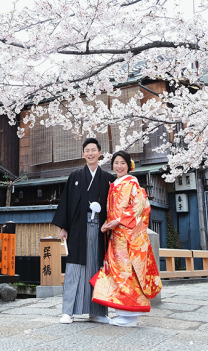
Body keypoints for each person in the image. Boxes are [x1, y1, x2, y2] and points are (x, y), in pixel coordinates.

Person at [91, 150, 162, 327]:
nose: (119, 166)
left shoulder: (132, 183)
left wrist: (116, 221)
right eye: (116, 163)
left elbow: (138, 207)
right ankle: (124, 314)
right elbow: (112, 210)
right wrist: (108, 223)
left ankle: (129, 317)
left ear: (129, 165)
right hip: (116, 236)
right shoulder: (114, 184)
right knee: (117, 273)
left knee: (126, 274)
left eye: (123, 163)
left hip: (128, 237)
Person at [51, 137, 115, 324]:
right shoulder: (75, 177)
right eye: (87, 150)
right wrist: (64, 227)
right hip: (79, 227)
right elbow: (67, 203)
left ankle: (98, 312)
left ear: (100, 153)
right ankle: (68, 311)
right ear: (83, 154)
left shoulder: (108, 178)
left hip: (99, 229)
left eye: (93, 150)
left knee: (97, 268)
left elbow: (113, 207)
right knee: (74, 268)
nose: (90, 153)